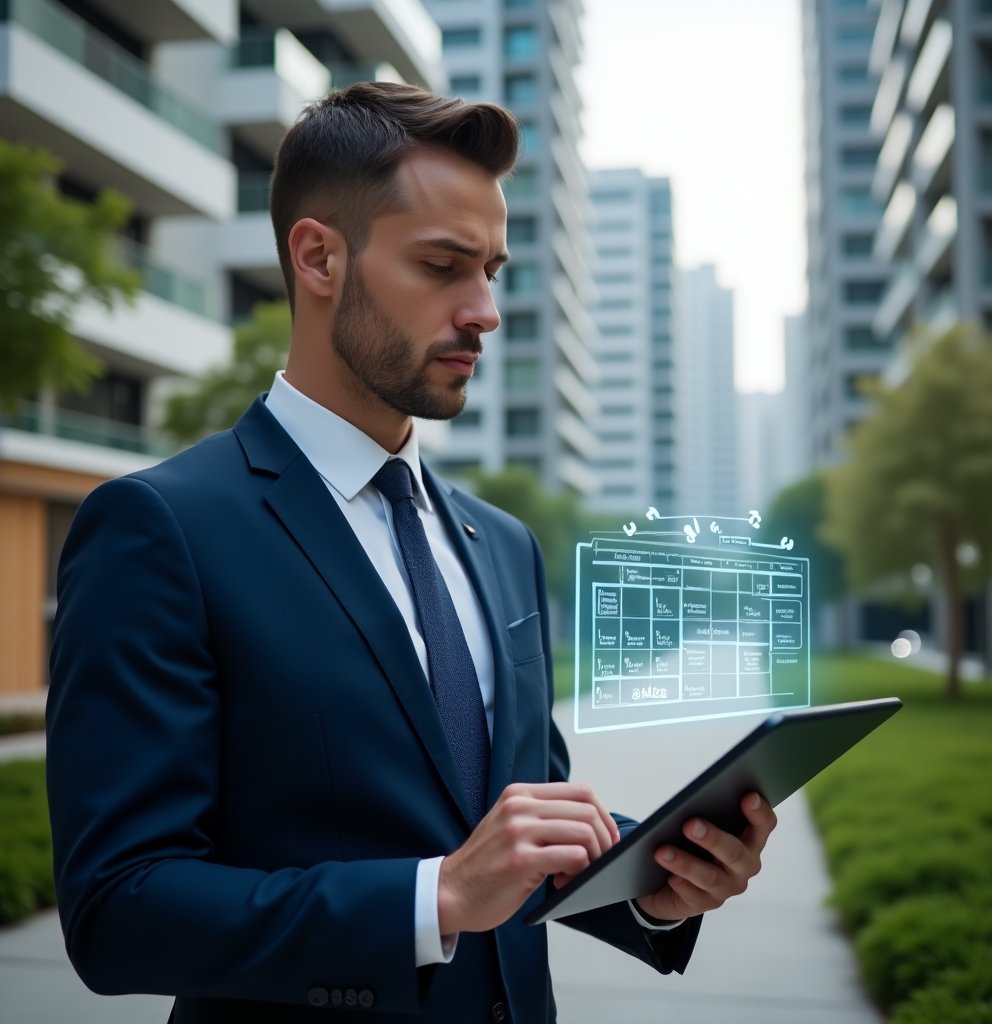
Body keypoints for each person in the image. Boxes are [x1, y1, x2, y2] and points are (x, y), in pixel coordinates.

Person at [46, 83, 777, 1023]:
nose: (484, 312)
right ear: (318, 258)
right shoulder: (160, 529)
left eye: (493, 271)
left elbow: (513, 815)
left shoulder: (502, 544)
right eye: (443, 266)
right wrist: (431, 900)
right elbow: (118, 911)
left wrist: (653, 879)